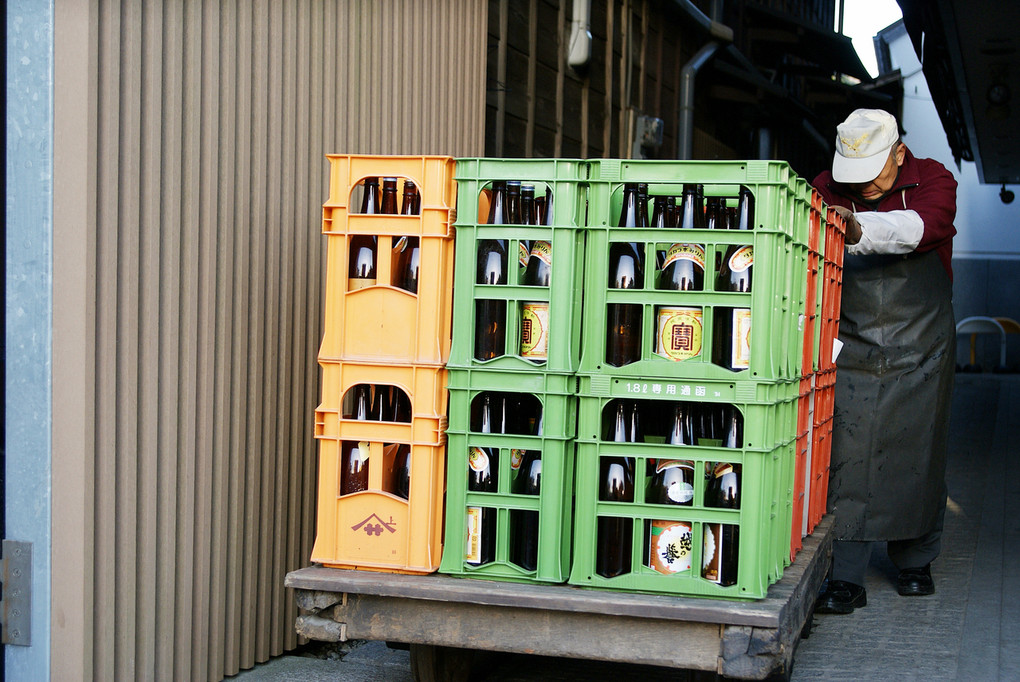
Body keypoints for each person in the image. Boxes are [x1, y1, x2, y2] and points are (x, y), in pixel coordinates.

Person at [811, 108, 958, 615]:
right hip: (850, 344)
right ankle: (845, 575)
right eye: (853, 177)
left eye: (872, 173)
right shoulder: (826, 186)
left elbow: (924, 225)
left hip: (923, 345)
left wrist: (855, 229)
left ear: (898, 154)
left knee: (919, 450)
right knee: (846, 459)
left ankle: (915, 560)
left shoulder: (933, 178)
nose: (861, 186)